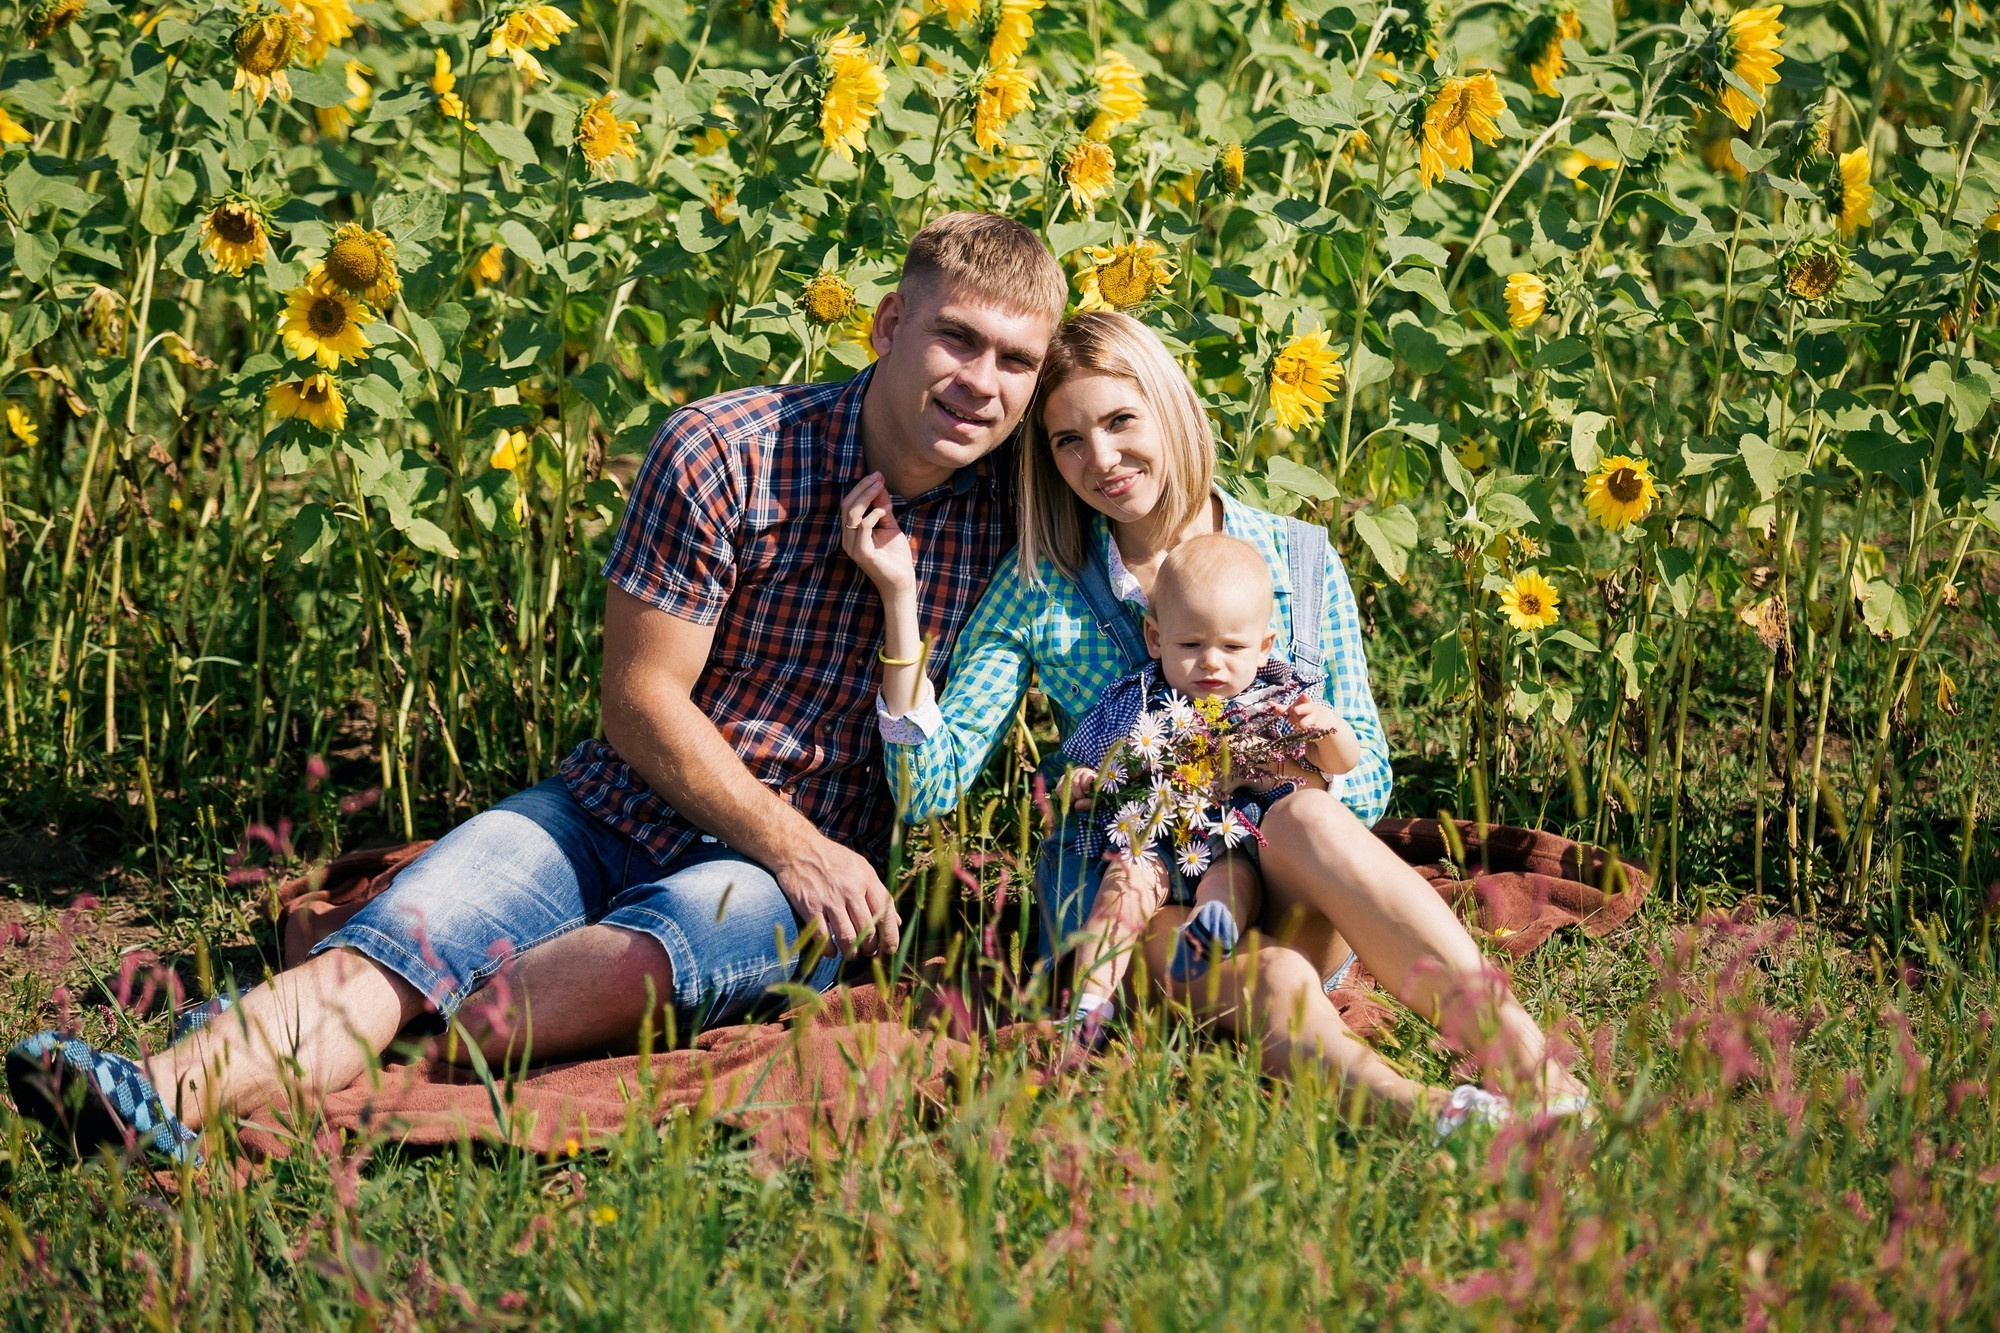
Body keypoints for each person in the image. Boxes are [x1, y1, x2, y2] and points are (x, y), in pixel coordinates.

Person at [6, 212, 1070, 1163]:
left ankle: (292, 1038)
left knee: (495, 1015)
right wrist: (799, 843)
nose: (981, 381)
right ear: (887, 325)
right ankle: (145, 1097)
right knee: (399, 949)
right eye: (956, 339)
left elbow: (1166, 513)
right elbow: (640, 698)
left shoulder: (1017, 513)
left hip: (781, 896)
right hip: (607, 813)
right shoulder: (732, 451)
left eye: (1016, 362)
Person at [847, 310, 1589, 1136]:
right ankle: (1437, 1118)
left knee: (1303, 809)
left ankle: (1530, 1064)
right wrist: (900, 605)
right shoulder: (1043, 588)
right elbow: (927, 790)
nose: (1100, 460)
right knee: (1267, 980)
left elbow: (1370, 775)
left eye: (1121, 421)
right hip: (1133, 906)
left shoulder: (1298, 560)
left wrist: (1272, 755)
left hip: (1291, 872)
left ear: (1171, 407)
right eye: (1066, 441)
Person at [1051, 532, 1361, 1042]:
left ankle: (1211, 929)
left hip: (1233, 844)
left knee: (1232, 882)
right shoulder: (1138, 699)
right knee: (1120, 888)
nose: (1211, 662)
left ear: (1263, 648)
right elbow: (1085, 763)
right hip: (1149, 839)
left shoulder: (1277, 702)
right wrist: (1084, 780)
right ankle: (1089, 1004)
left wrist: (1328, 728)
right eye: (1190, 645)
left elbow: (1340, 765)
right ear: (1155, 638)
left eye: (1232, 647)